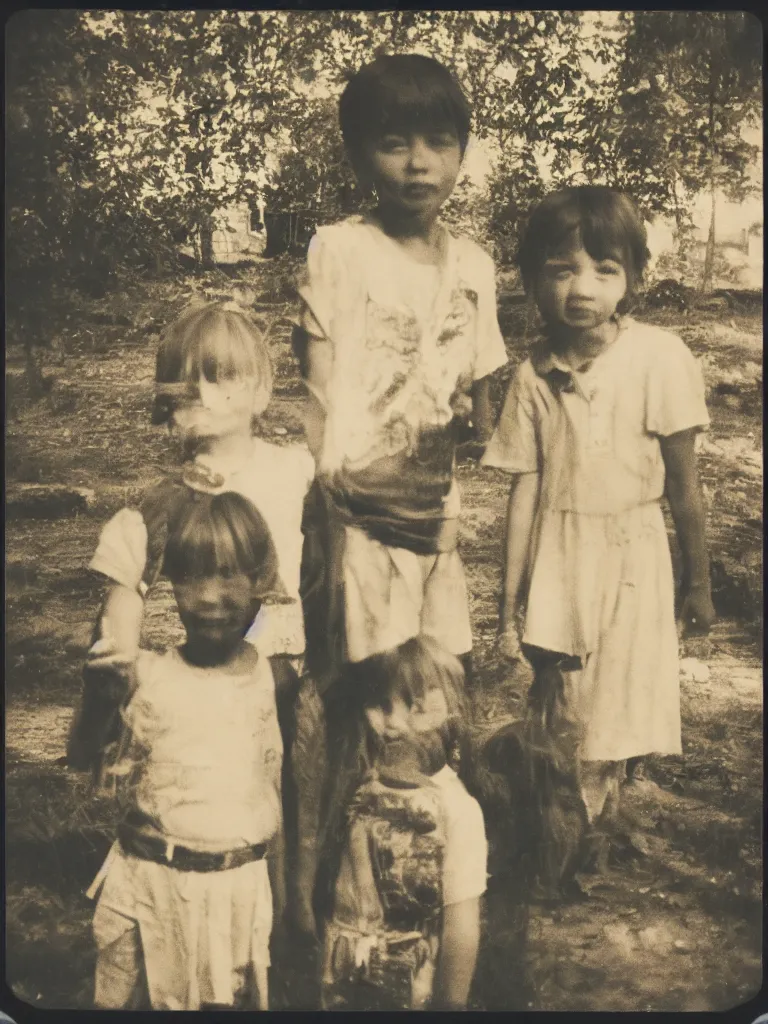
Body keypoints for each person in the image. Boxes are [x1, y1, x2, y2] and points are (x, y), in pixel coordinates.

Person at [291, 53, 507, 932]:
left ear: (461, 154)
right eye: (393, 145)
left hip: (436, 514)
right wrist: (332, 478)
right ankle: (319, 889)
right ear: (358, 158)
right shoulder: (342, 248)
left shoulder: (477, 264)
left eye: (438, 143)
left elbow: (482, 381)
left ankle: (428, 869)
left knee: (435, 682)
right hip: (358, 516)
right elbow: (318, 373)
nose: (418, 164)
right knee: (354, 694)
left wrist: (477, 422)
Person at [482, 185, 715, 844]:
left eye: (602, 270)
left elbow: (684, 484)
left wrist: (698, 583)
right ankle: (562, 822)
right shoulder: (534, 374)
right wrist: (508, 604)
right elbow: (523, 491)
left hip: (634, 547)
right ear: (532, 278)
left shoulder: (658, 358)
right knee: (565, 691)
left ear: (632, 279)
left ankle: (599, 811)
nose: (581, 287)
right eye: (561, 269)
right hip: (562, 549)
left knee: (626, 686)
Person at [70, 299, 314, 926]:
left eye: (223, 376)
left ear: (261, 391)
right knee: (230, 786)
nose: (204, 394)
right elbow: (128, 580)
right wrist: (120, 650)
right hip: (223, 666)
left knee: (297, 785)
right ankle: (235, 906)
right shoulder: (170, 500)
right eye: (188, 382)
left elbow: (337, 547)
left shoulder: (295, 470)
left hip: (295, 658)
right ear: (168, 403)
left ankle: (296, 916)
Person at [80, 491, 285, 1010]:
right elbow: (85, 752)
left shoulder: (271, 676)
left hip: (234, 890)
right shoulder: (147, 675)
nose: (210, 596)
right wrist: (100, 699)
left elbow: (274, 782)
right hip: (149, 883)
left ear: (260, 581)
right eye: (192, 577)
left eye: (229, 575)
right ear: (170, 585)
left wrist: (283, 893)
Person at [316, 636, 487, 1011]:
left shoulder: (456, 808)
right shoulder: (357, 782)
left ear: (451, 712)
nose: (393, 723)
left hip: (411, 985)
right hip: (341, 973)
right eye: (380, 705)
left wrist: (450, 1003)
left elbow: (461, 928)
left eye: (415, 708)